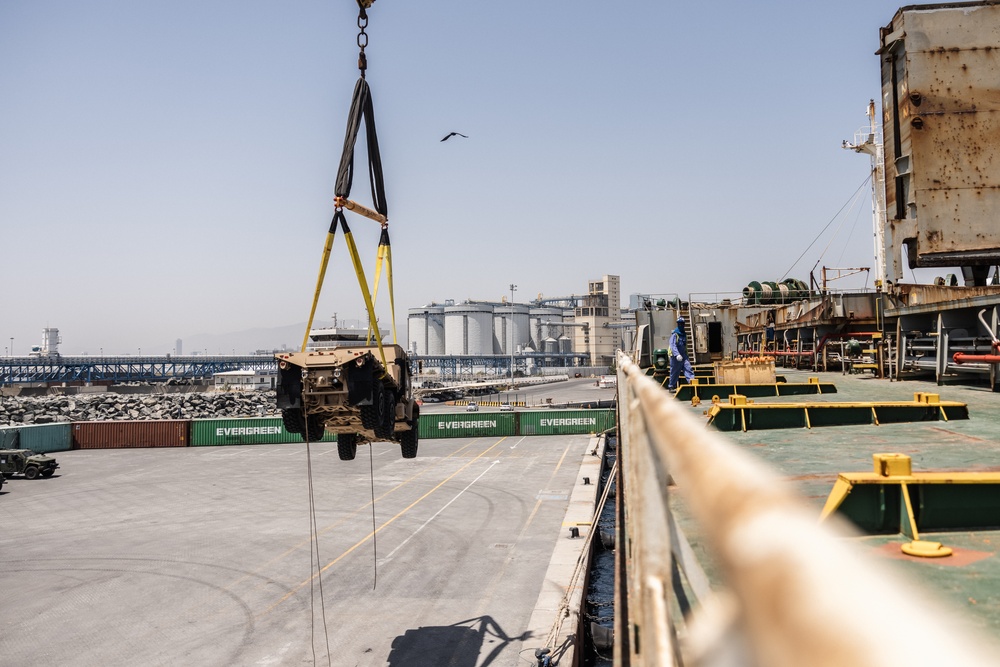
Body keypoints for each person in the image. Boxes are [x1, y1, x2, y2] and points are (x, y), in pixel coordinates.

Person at [667, 316, 695, 391]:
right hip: (675, 357)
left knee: (688, 368)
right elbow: (673, 345)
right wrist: (677, 354)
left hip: (684, 356)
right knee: (675, 371)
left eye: (682, 324)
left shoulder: (684, 335)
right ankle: (671, 386)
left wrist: (686, 355)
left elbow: (685, 346)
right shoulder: (675, 335)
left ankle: (692, 383)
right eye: (679, 324)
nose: (681, 325)